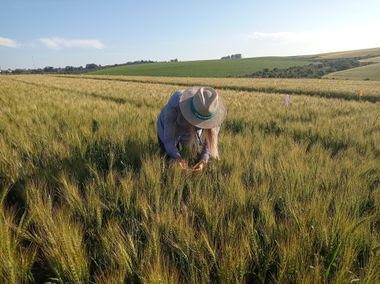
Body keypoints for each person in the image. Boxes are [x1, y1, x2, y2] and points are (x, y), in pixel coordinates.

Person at [157, 86, 226, 172]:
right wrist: (178, 159)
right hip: (169, 127)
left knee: (194, 152)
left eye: (204, 123)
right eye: (198, 121)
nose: (200, 125)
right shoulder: (175, 105)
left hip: (191, 132)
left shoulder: (212, 111)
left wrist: (203, 161)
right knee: (168, 157)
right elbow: (168, 139)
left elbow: (210, 141)